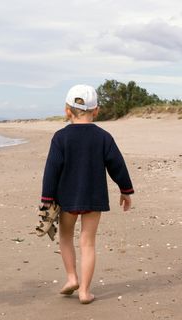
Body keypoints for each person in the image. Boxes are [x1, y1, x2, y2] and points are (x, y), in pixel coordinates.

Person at [40, 84, 134, 304]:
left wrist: (47, 199)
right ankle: (85, 291)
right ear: (96, 111)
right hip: (94, 196)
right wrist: (125, 190)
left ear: (67, 111)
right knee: (88, 243)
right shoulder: (103, 137)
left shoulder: (60, 137)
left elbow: (52, 169)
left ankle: (72, 277)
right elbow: (117, 165)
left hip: (67, 198)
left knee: (65, 237)